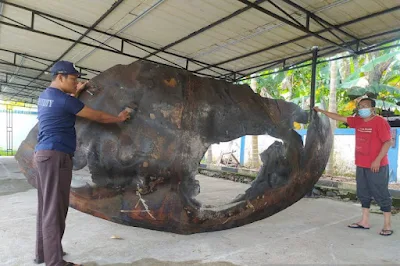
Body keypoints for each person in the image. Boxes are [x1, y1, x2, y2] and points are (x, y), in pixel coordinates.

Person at [34, 60, 131, 266]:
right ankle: (55, 262)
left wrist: (75, 93)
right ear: (60, 77)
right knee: (56, 210)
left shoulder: (45, 97)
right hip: (56, 156)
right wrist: (119, 118)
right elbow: (97, 116)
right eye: (73, 79)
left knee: (46, 207)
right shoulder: (64, 100)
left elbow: (65, 105)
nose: (75, 82)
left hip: (43, 155)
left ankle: (43, 253)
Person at [314, 98, 393, 236]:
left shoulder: (380, 122)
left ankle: (387, 225)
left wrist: (377, 160)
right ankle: (365, 221)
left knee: (381, 193)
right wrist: (321, 111)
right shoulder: (358, 121)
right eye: (360, 106)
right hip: (361, 164)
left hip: (377, 165)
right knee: (363, 193)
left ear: (372, 109)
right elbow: (339, 117)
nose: (361, 108)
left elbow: (388, 142)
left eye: (365, 106)